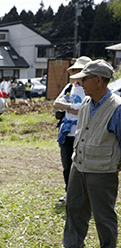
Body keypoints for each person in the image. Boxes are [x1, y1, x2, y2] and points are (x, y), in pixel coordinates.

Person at [50, 60, 121, 248]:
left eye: (84, 79)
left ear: (98, 80)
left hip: (102, 169)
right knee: (74, 207)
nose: (80, 83)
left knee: (103, 214)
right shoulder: (88, 102)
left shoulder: (117, 108)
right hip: (79, 164)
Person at [53, 56, 90, 202]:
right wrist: (73, 108)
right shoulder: (69, 87)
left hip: (83, 132)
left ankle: (83, 194)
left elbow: (86, 110)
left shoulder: (90, 90)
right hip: (66, 132)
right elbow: (56, 103)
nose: (76, 73)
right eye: (74, 70)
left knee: (82, 165)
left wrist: (67, 107)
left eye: (79, 70)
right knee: (67, 165)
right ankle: (69, 192)